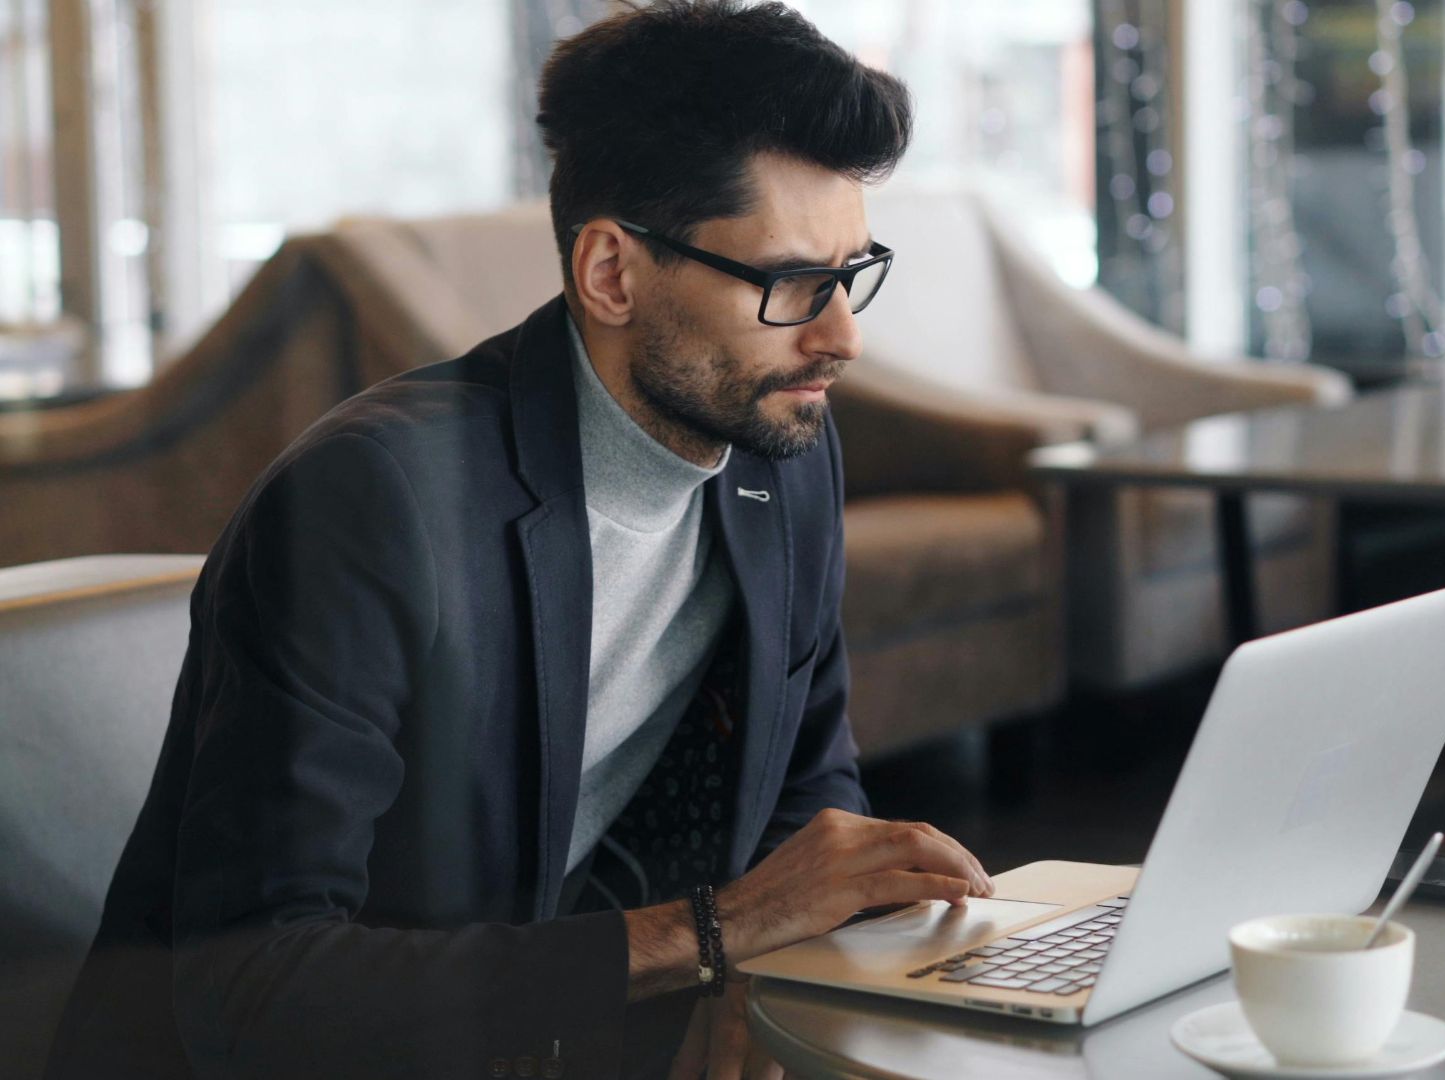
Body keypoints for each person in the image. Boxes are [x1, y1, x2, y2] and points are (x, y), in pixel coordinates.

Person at [45, 3, 993, 1077]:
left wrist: (763, 980)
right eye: (790, 285)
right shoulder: (370, 503)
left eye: (852, 271)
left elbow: (804, 805)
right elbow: (254, 989)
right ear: (611, 274)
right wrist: (713, 936)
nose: (843, 335)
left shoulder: (781, 449)